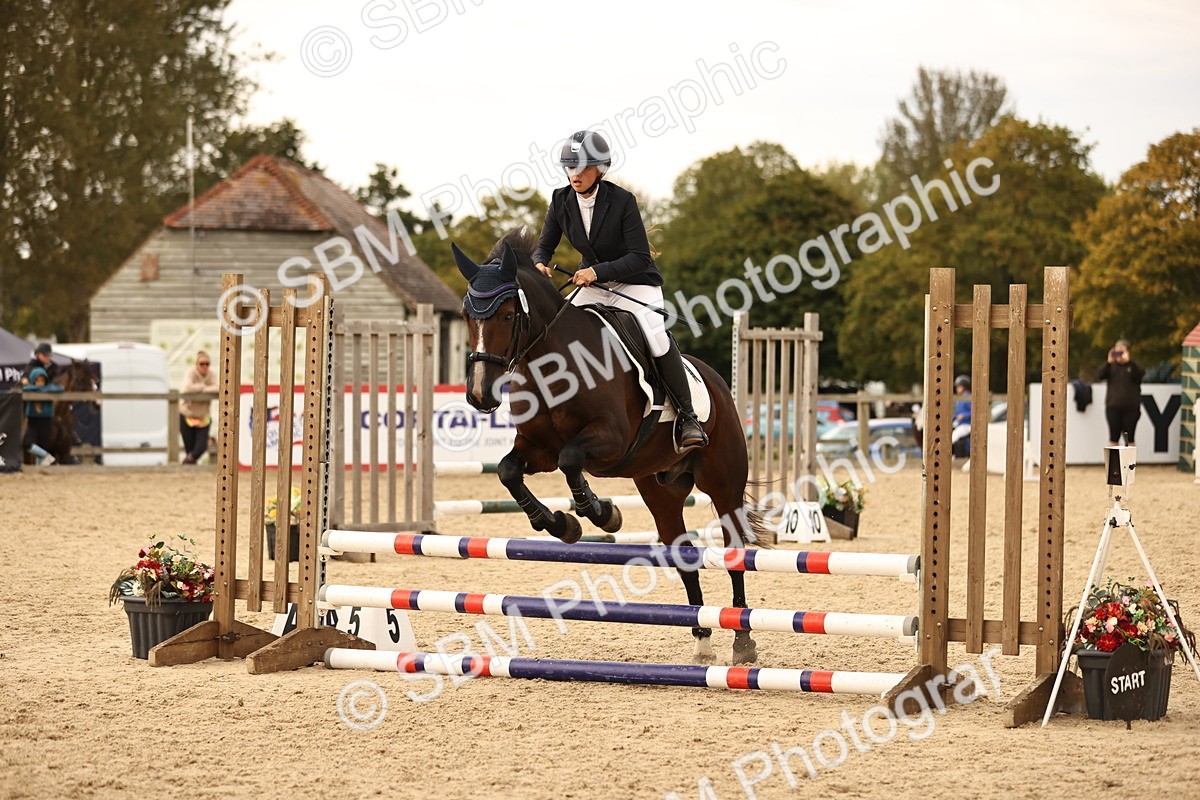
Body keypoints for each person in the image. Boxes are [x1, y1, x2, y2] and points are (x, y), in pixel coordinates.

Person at [531, 129, 707, 452]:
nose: (575, 175)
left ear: (600, 169)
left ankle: (687, 416)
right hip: (593, 286)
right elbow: (544, 247)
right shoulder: (560, 201)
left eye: (582, 168)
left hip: (636, 283)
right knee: (557, 325)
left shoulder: (622, 201)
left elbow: (639, 257)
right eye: (570, 168)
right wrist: (540, 264)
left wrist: (597, 271)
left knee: (655, 336)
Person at [1096, 339, 1144, 446]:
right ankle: (1113, 462)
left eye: (1122, 351)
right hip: (1113, 407)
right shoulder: (1110, 366)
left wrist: (1128, 362)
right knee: (1113, 437)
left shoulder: (1133, 366)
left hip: (1131, 407)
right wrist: (1109, 361)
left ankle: (1129, 462)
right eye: (1117, 351)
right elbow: (1100, 375)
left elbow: (1139, 376)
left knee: (1129, 437)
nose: (1119, 354)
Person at [179, 351, 218, 464]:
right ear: (196, 365)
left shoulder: (212, 374)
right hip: (187, 415)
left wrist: (202, 389)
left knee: (201, 447)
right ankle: (189, 470)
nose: (205, 366)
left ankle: (187, 463)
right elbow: (187, 387)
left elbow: (220, 387)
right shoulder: (190, 373)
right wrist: (205, 387)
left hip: (203, 417)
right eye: (202, 364)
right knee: (190, 449)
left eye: (207, 364)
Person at [23, 366, 63, 465]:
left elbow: (60, 388)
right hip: (33, 421)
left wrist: (44, 389)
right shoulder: (30, 390)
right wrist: (41, 389)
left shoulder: (49, 389)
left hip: (46, 421)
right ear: (33, 381)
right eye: (37, 380)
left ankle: (39, 471)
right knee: (27, 444)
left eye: (42, 380)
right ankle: (47, 457)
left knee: (42, 447)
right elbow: (26, 388)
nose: (40, 382)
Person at [951, 375, 971, 458]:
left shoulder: (968, 397)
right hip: (960, 424)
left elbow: (973, 412)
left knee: (954, 436)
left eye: (959, 386)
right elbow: (957, 413)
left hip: (967, 424)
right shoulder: (960, 398)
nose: (957, 389)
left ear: (964, 387)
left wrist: (964, 415)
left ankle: (954, 456)